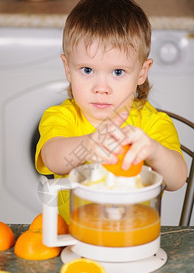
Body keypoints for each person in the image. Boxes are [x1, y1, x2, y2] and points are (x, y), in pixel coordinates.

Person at [35, 0, 187, 223]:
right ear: (68, 69)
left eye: (118, 72)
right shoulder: (61, 117)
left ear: (142, 72)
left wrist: (154, 152)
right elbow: (52, 158)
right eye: (87, 70)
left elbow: (177, 180)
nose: (101, 88)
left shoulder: (152, 123)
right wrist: (88, 145)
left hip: (135, 238)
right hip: (77, 237)